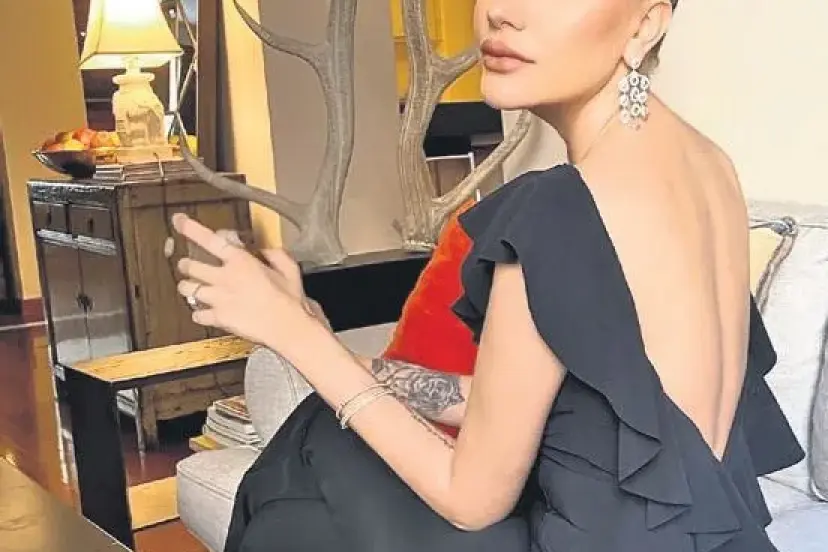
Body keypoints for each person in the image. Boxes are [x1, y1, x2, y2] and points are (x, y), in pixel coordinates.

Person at [172, 0, 804, 550]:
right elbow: (556, 412)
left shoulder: (562, 207)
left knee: (312, 470)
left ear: (645, 25)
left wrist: (289, 332)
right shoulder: (708, 165)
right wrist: (324, 348)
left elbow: (471, 500)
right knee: (329, 429)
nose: (500, 12)